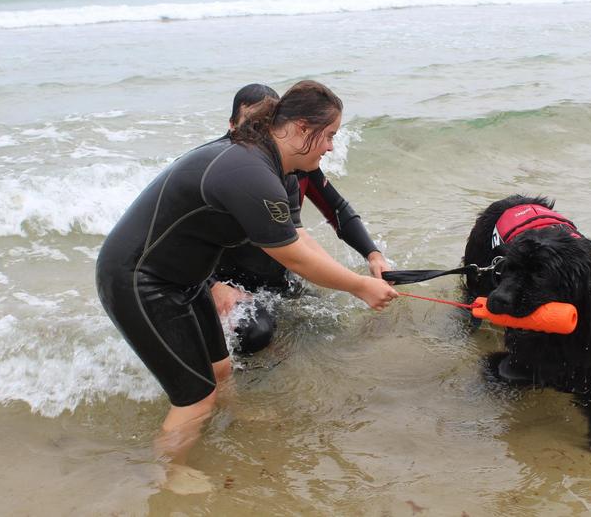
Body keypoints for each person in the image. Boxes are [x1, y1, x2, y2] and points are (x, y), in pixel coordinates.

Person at [95, 80, 397, 478]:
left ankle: (233, 412)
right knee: (194, 401)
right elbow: (293, 255)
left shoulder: (264, 161)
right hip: (140, 281)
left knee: (220, 370)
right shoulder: (250, 171)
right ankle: (171, 478)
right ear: (302, 129)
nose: (330, 148)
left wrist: (368, 262)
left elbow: (304, 238)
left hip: (187, 280)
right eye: (329, 136)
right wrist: (360, 286)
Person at [209, 83, 390, 354]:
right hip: (227, 278)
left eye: (264, 123)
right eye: (249, 124)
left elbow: (335, 211)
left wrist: (373, 256)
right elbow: (181, 239)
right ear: (232, 124)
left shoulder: (294, 168)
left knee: (327, 327)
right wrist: (212, 286)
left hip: (277, 272)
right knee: (257, 335)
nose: (255, 133)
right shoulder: (222, 168)